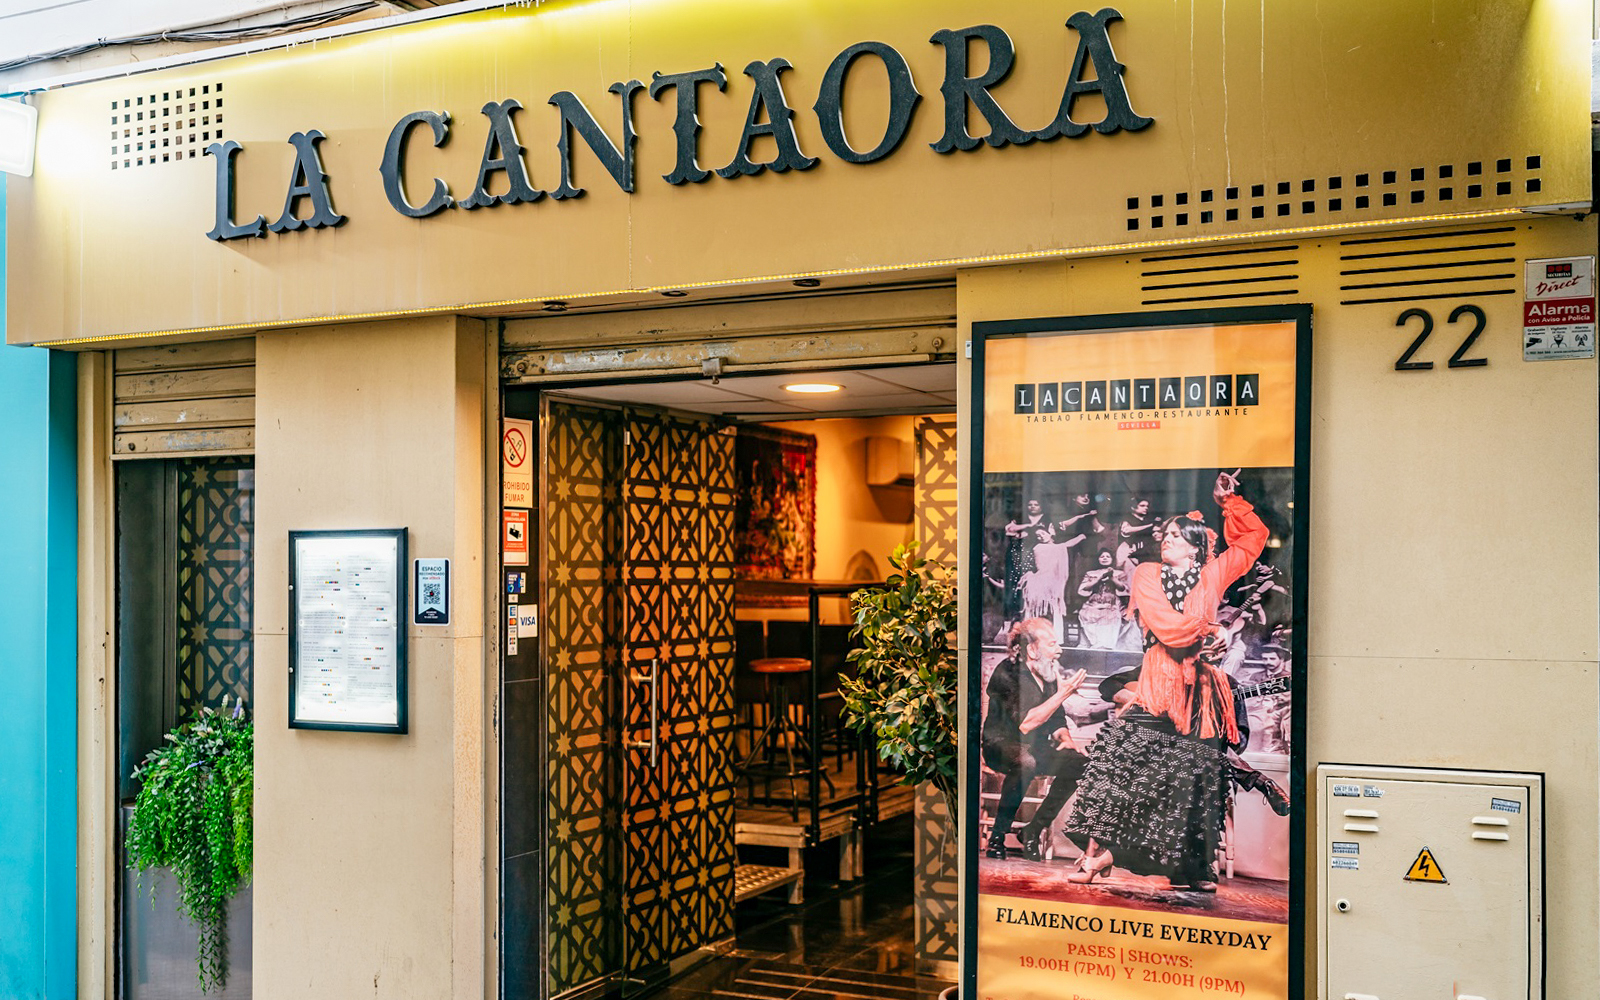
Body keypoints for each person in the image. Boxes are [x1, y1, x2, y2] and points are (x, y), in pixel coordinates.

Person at [1064, 470, 1269, 892]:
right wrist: (1212, 628)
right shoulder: (1146, 574)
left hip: (1200, 693)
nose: (1167, 539)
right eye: (1166, 534)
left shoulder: (1213, 574)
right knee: (1119, 769)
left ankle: (1195, 868)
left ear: (1196, 547)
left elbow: (1254, 538)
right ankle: (1092, 857)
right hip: (1158, 684)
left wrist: (1228, 502)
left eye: (1177, 536)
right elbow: (1168, 627)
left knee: (1196, 781)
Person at [981, 618, 1089, 861]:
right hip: (1000, 745)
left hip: (1034, 747)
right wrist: (1063, 693)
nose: (1058, 651)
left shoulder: (1047, 673)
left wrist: (1066, 739)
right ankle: (997, 837)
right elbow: (1026, 723)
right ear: (1031, 649)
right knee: (1025, 762)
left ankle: (1033, 829)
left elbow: (1056, 718)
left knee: (1079, 763)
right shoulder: (1006, 673)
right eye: (1052, 644)